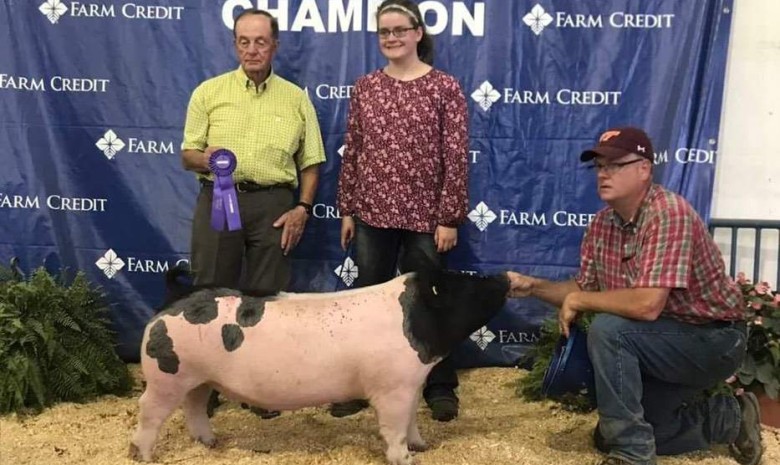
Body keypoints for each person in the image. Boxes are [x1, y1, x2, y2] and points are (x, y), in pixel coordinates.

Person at [507, 127, 763, 465]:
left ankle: (633, 456)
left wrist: (580, 302)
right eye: (599, 166)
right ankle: (730, 418)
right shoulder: (601, 225)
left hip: (713, 340)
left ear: (644, 169)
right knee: (609, 435)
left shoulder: (669, 213)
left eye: (614, 165)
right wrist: (534, 287)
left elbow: (646, 305)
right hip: (659, 343)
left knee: (610, 331)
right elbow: (583, 290)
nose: (603, 174)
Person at [180, 9, 326, 418]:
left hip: (274, 205)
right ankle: (205, 386)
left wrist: (302, 207)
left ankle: (260, 390)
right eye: (243, 41)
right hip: (220, 197)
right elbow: (187, 153)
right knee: (210, 291)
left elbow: (311, 162)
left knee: (267, 299)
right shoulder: (209, 92)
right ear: (234, 44)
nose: (252, 49)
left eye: (260, 41)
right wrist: (205, 158)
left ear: (275, 45)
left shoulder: (296, 98)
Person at [334, 0, 469, 422]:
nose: (391, 38)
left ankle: (440, 385)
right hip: (371, 213)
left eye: (398, 30)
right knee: (367, 303)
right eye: (383, 31)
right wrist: (348, 209)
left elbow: (456, 156)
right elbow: (353, 150)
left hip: (426, 220)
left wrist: (449, 216)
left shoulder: (445, 87)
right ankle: (360, 384)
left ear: (417, 33)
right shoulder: (366, 87)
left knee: (429, 300)